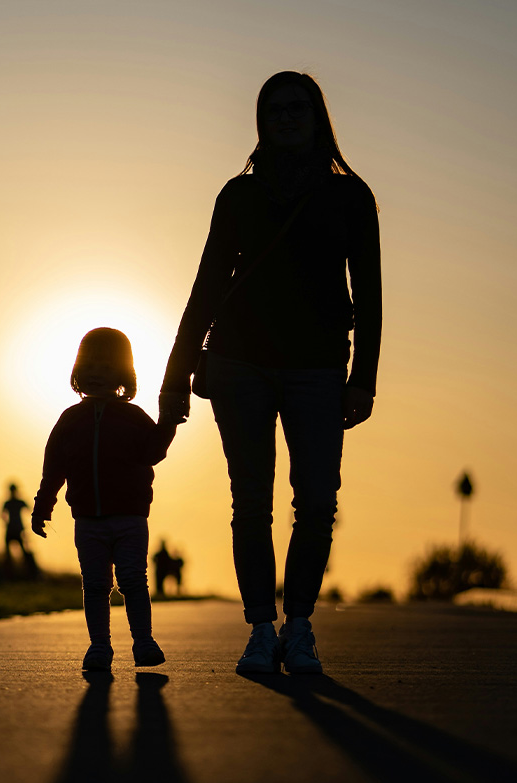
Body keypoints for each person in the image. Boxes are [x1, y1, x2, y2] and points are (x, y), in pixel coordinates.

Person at [159, 72, 381, 675]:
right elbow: (206, 287)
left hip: (318, 368)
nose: (285, 118)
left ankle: (300, 626)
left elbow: (371, 292)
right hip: (239, 365)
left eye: (296, 108)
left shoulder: (352, 198)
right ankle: (261, 628)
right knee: (250, 502)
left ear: (318, 117)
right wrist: (174, 375)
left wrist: (365, 378)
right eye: (273, 109)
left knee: (316, 500)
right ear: (260, 121)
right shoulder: (238, 196)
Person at [32, 328, 177, 672]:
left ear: (124, 375)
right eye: (91, 364)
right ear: (78, 370)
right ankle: (99, 646)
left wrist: (169, 422)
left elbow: (153, 451)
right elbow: (54, 467)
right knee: (96, 584)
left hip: (130, 518)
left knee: (133, 580)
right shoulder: (69, 419)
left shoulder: (134, 417)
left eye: (107, 366)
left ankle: (143, 641)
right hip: (87, 521)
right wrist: (42, 506)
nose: (98, 371)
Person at [2, 483, 35, 576]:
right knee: (20, 552)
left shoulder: (9, 503)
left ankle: (20, 573)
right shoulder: (17, 502)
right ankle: (15, 573)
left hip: (13, 530)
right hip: (17, 530)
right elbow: (31, 511)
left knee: (14, 553)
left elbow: (2, 515)